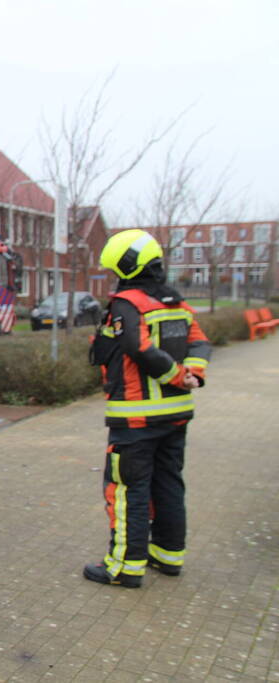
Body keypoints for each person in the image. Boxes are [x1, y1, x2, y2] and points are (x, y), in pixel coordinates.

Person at [84, 229, 210, 588]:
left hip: (136, 418)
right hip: (176, 416)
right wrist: (192, 375)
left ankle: (124, 567)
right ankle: (168, 556)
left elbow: (138, 348)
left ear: (127, 265)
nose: (116, 278)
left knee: (127, 489)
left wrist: (174, 375)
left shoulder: (129, 303)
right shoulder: (177, 303)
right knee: (168, 482)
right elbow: (201, 343)